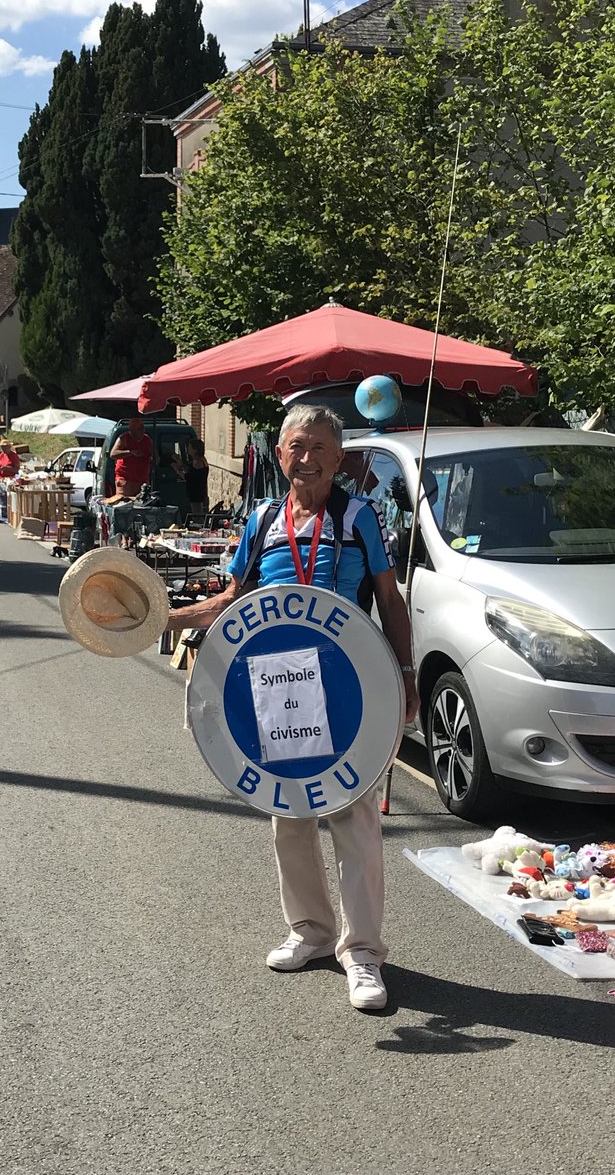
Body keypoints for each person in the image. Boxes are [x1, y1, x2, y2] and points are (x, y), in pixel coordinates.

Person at [167, 404, 419, 1012]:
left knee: (355, 819)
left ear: (338, 458)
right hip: (278, 686)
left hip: (350, 687)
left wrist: (407, 675)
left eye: (318, 448)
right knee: (289, 810)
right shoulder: (260, 521)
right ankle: (311, 931)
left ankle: (362, 953)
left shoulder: (359, 519)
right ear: (279, 455)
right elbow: (233, 597)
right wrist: (166, 618)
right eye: (295, 446)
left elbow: (389, 599)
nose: (305, 458)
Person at [111, 417, 153, 497]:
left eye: (143, 428)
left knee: (142, 504)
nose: (142, 431)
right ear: (132, 430)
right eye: (139, 429)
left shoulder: (147, 439)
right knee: (125, 504)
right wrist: (130, 452)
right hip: (125, 479)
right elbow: (113, 454)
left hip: (142, 480)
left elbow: (153, 455)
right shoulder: (124, 438)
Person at [182, 437, 209, 517]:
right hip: (200, 491)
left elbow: (189, 477)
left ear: (195, 450)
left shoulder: (198, 462)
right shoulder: (202, 460)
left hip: (196, 492)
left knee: (197, 515)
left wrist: (178, 469)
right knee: (197, 514)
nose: (188, 449)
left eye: (190, 447)